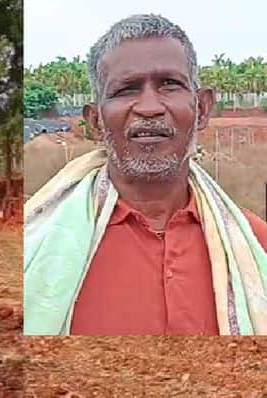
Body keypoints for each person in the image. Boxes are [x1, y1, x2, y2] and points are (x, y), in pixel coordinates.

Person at [24, 14, 267, 336]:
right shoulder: (34, 246)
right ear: (95, 121)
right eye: (126, 89)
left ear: (202, 109)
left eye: (169, 84)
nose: (149, 107)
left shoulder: (257, 244)